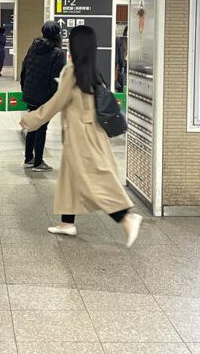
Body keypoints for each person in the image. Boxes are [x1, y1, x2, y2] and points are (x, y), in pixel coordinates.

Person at [20, 25, 142, 247]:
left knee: (94, 180)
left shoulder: (72, 71)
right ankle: (67, 223)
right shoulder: (92, 69)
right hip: (90, 132)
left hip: (81, 137)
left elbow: (58, 102)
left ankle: (126, 218)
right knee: (70, 179)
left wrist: (31, 119)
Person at [20, 20, 66, 171]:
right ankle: (38, 162)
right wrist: (55, 98)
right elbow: (56, 78)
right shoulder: (58, 53)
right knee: (41, 126)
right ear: (57, 34)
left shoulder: (34, 46)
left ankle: (28, 158)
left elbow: (24, 67)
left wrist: (24, 87)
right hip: (45, 94)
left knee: (33, 123)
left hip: (31, 91)